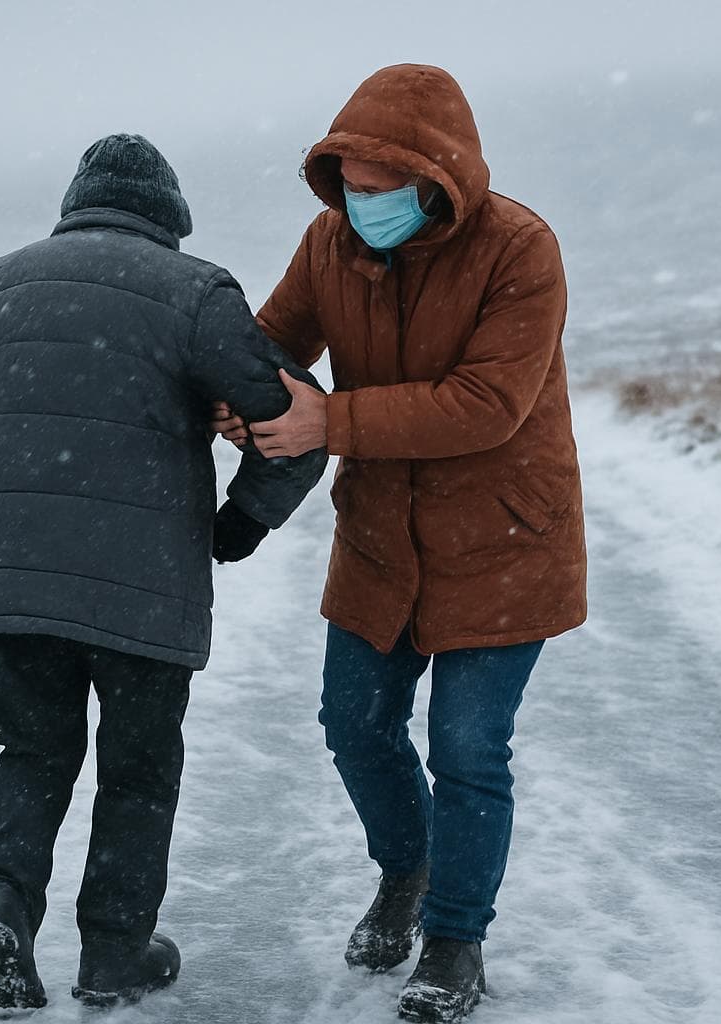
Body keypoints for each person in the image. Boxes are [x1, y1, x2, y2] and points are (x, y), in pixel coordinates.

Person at [0, 133, 328, 1010]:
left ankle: (3, 904)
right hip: (145, 595)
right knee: (138, 769)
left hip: (8, 581)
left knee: (33, 751)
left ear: (75, 205)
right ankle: (115, 952)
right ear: (170, 219)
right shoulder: (198, 292)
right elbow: (296, 420)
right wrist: (240, 524)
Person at [212, 65, 586, 1023]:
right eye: (349, 188)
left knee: (467, 748)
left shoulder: (520, 251)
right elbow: (273, 344)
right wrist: (239, 396)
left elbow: (487, 405)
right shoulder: (329, 241)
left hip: (502, 542)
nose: (362, 206)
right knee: (353, 725)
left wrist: (324, 422)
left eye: (382, 191)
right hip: (381, 540)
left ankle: (456, 942)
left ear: (439, 179)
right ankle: (408, 870)